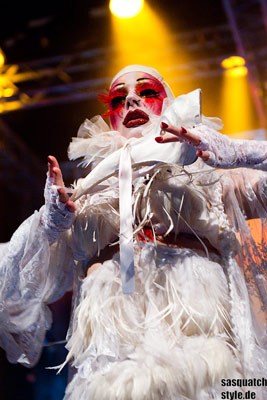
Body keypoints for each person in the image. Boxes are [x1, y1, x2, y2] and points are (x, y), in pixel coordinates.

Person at [0, 65, 267, 400]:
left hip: (197, 334)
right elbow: (26, 267)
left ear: (167, 100)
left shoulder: (209, 169)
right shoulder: (91, 187)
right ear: (111, 118)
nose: (130, 100)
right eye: (117, 98)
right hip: (113, 346)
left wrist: (242, 153)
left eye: (147, 92)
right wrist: (51, 223)